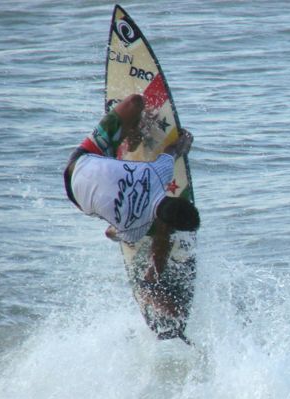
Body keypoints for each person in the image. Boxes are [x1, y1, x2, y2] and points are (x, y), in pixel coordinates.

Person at [63, 93, 199, 285]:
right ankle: (154, 270)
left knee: (135, 102)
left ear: (177, 199)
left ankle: (130, 135)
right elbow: (112, 235)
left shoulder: (159, 174)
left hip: (80, 162)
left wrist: (183, 143)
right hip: (78, 195)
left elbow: (172, 150)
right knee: (118, 230)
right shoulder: (136, 230)